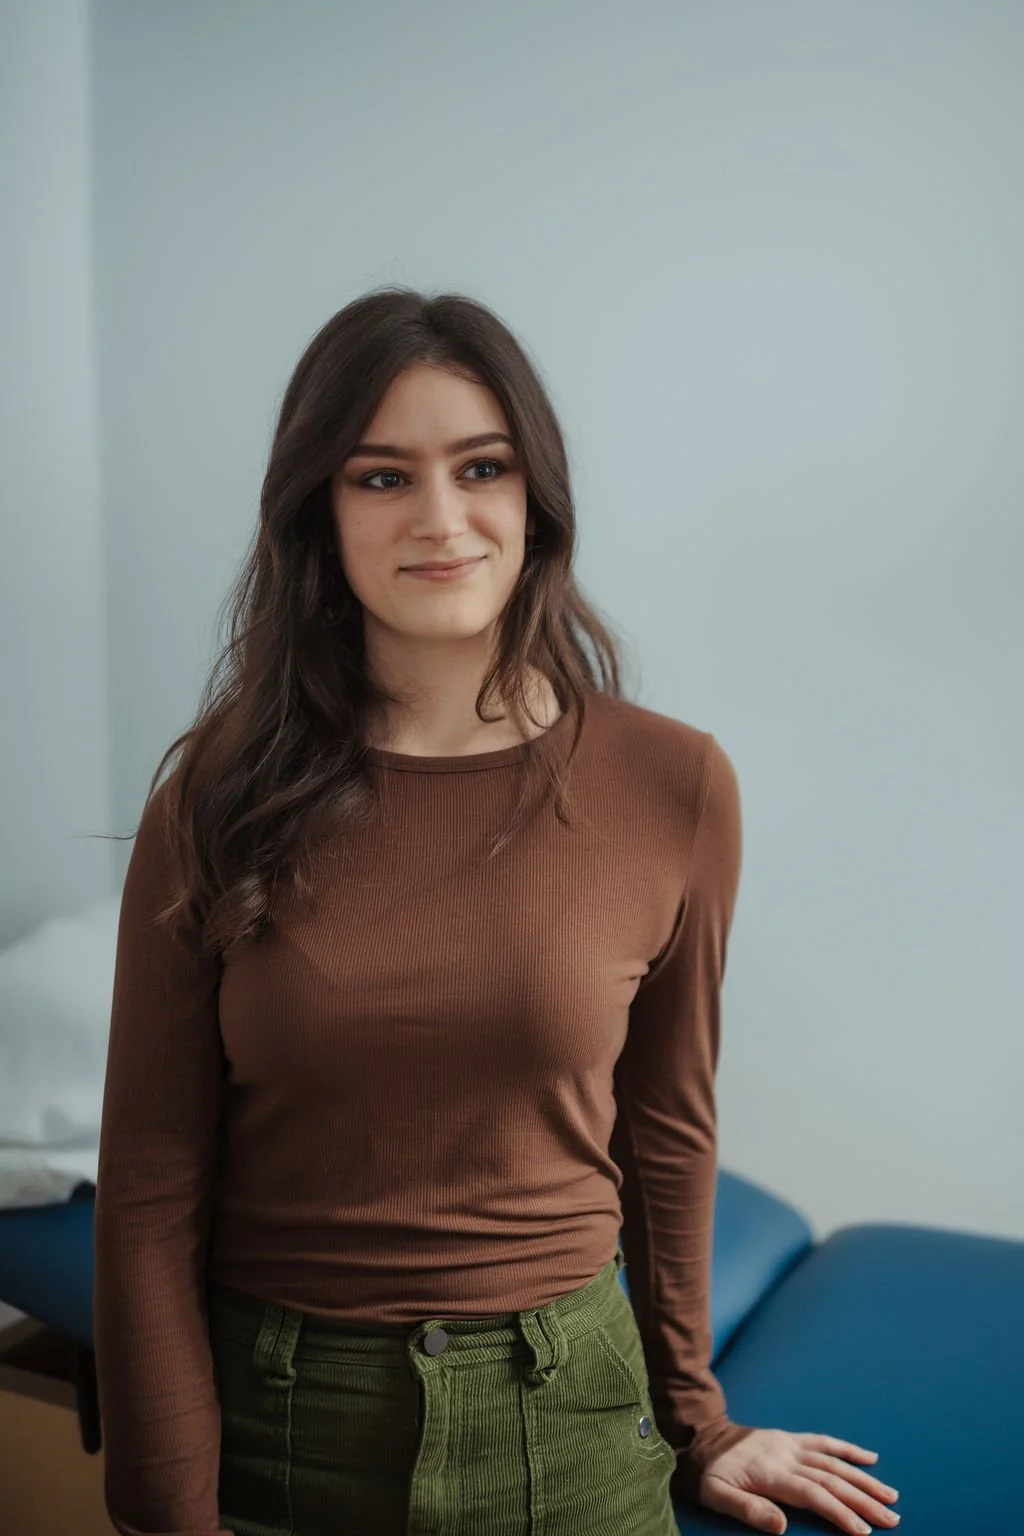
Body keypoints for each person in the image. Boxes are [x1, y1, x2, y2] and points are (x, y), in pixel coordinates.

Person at [92, 288, 901, 1536]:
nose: (441, 518)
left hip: (572, 1411)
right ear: (319, 509)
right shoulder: (215, 792)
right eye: (380, 477)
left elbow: (668, 1133)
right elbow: (149, 1188)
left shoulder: (673, 784)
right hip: (288, 1418)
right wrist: (162, 1515)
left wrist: (699, 1423)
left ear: (537, 499)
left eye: (483, 466)